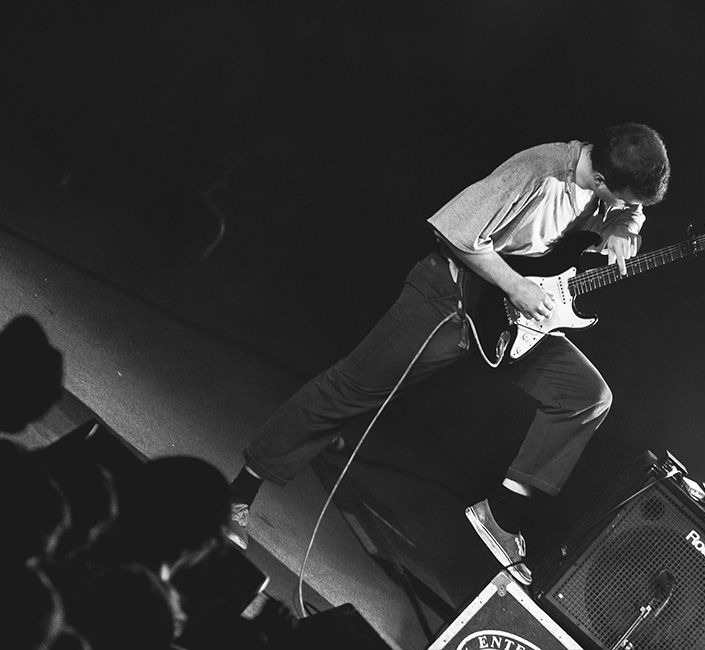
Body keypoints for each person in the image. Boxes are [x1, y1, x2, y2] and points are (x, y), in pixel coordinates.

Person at [226, 123, 670, 585]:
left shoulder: (605, 183)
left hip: (508, 324)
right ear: (600, 180)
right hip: (448, 300)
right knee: (349, 391)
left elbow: (629, 214)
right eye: (625, 201)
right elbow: (455, 231)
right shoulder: (538, 171)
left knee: (587, 396)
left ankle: (502, 510)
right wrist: (516, 285)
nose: (629, 209)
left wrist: (623, 228)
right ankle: (240, 489)